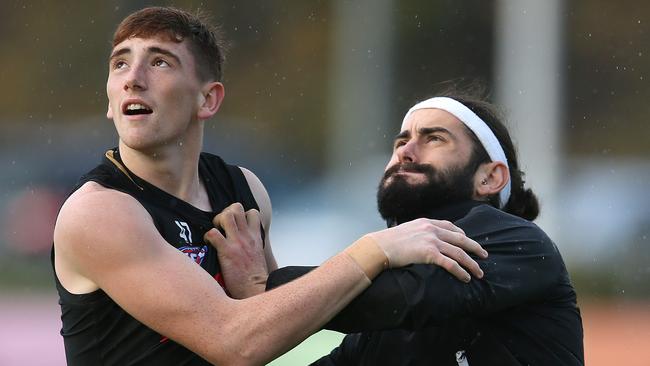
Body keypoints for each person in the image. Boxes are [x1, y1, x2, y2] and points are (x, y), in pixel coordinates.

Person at [51, 7, 489, 366]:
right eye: (120, 63)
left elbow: (274, 328)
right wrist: (375, 250)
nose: (133, 78)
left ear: (208, 99)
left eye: (160, 61)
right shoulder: (99, 213)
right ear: (111, 100)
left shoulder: (245, 189)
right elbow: (234, 342)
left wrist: (258, 287)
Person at [264, 91, 584, 365]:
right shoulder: (381, 327)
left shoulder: (518, 241)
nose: (406, 150)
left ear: (489, 178)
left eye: (433, 138)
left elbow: (405, 296)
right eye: (401, 141)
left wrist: (265, 290)